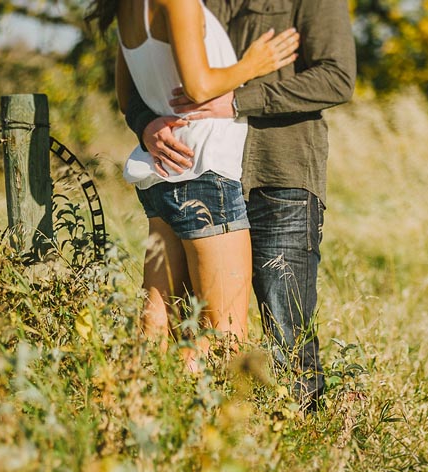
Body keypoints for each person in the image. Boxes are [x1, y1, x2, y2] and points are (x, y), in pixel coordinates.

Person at [122, 0, 356, 409]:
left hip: (278, 175)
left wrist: (237, 100)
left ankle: (305, 440)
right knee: (189, 326)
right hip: (200, 174)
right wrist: (145, 124)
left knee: (286, 327)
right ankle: (190, 431)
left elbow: (337, 78)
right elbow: (147, 72)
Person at [86, 0, 300, 369]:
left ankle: (130, 410)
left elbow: (126, 98)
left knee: (155, 321)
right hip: (203, 172)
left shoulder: (125, 7)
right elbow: (199, 86)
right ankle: (202, 423)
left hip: (162, 175)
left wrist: (149, 123)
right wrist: (254, 64)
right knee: (223, 335)